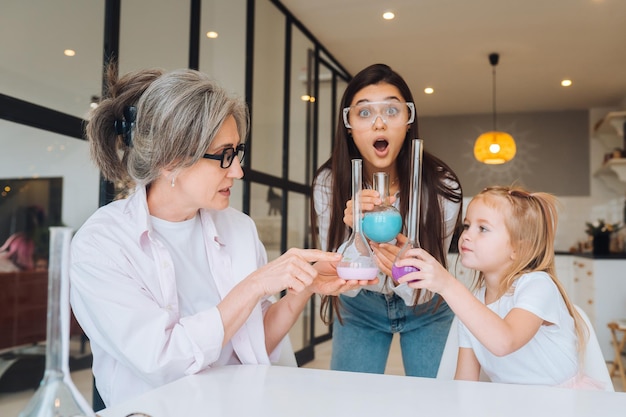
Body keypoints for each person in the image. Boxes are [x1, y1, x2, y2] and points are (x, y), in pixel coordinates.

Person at [70, 66, 372, 407]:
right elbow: (163, 361)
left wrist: (304, 289)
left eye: (237, 152)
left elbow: (255, 342)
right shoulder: (102, 245)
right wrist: (255, 284)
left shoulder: (239, 228)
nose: (238, 171)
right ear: (169, 160)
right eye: (224, 156)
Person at [311, 63, 463, 377]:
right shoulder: (329, 183)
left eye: (392, 111)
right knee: (350, 403)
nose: (379, 124)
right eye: (364, 113)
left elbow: (437, 273)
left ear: (408, 120)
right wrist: (356, 237)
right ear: (349, 125)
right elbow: (338, 277)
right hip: (360, 307)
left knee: (436, 403)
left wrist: (405, 266)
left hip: (426, 306)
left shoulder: (443, 187)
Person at [393, 185, 604, 389]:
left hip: (564, 406)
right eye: (467, 225)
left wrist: (447, 284)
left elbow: (505, 342)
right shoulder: (473, 304)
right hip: (512, 405)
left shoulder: (538, 285)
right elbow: (465, 383)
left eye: (482, 228)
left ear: (518, 248)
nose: (466, 235)